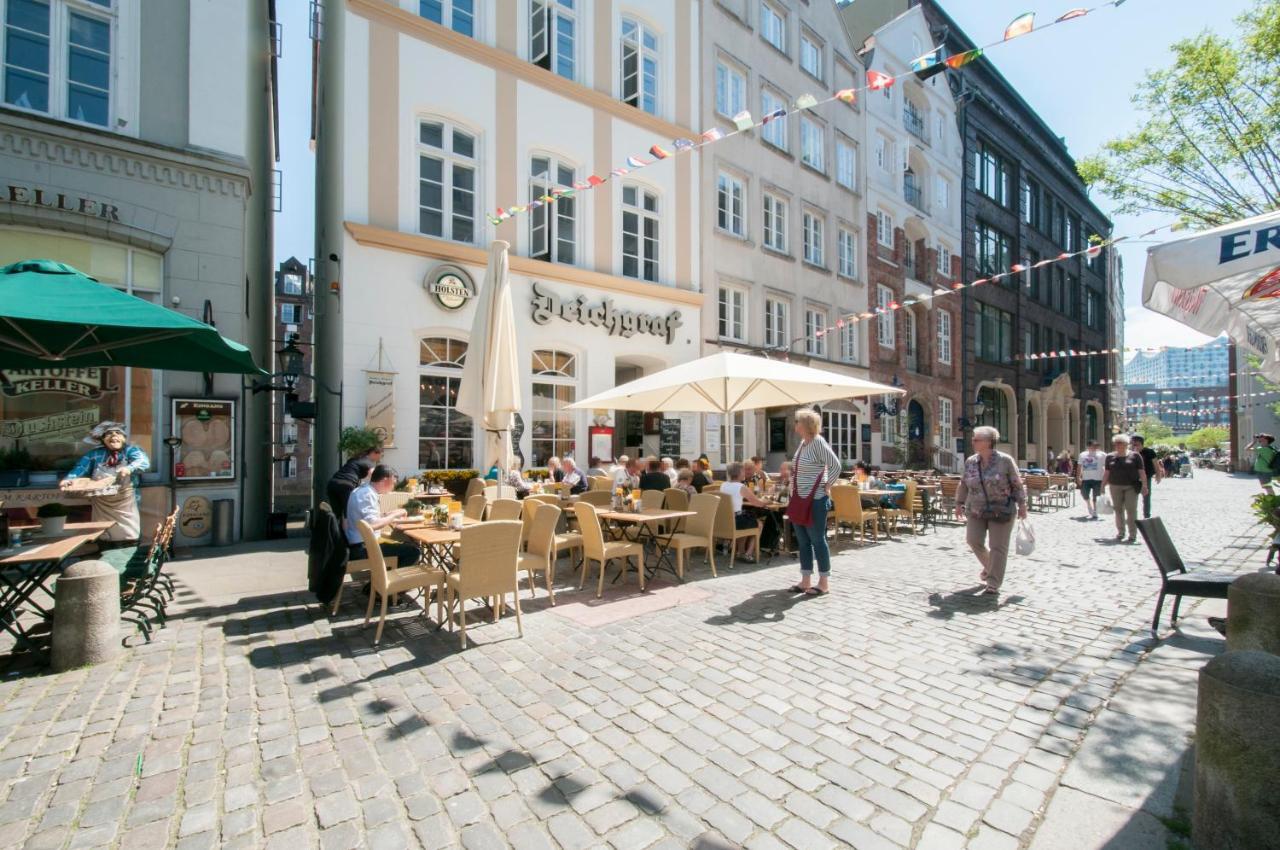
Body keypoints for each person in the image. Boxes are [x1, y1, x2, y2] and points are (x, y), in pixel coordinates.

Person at [954, 426, 1028, 596]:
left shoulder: (1005, 461)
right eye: (973, 439)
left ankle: (993, 582)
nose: (972, 442)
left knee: (998, 547)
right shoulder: (971, 461)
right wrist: (958, 503)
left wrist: (1022, 504)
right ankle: (990, 567)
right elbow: (964, 483)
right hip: (976, 509)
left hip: (1001, 509)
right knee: (973, 540)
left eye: (976, 439)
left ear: (988, 442)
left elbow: (1016, 483)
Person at [61, 421, 151, 543]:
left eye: (118, 433)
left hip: (125, 502)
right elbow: (80, 468)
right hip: (101, 503)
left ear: (124, 438)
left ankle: (129, 546)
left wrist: (129, 468)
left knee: (129, 532)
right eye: (109, 434)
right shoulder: (94, 454)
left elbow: (142, 461)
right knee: (102, 531)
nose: (114, 437)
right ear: (103, 439)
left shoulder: (131, 450)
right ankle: (104, 547)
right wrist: (69, 479)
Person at [787, 409, 842, 597]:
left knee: (817, 540)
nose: (795, 425)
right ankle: (805, 580)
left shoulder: (818, 442)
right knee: (803, 542)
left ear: (805, 425)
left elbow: (835, 465)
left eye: (797, 422)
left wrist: (828, 485)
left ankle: (824, 582)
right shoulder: (803, 443)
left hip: (816, 500)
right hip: (799, 499)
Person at [345, 464, 421, 568]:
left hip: (363, 543)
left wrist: (389, 514)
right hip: (363, 548)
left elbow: (368, 518)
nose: (393, 487)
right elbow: (372, 524)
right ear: (386, 480)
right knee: (413, 551)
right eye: (393, 483)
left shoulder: (365, 491)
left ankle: (384, 577)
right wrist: (394, 516)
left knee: (406, 545)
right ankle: (384, 582)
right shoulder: (366, 494)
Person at [1102, 434, 1147, 544]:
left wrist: (1145, 485)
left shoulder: (1135, 456)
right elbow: (1107, 472)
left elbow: (1141, 471)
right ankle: (1121, 531)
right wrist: (1102, 485)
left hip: (1131, 486)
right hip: (1115, 485)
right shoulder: (1110, 457)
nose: (1117, 445)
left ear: (1126, 444)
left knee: (1131, 510)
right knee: (1118, 509)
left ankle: (1132, 534)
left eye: (1120, 443)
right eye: (1116, 443)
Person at [720, 462, 766, 563]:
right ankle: (748, 553)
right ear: (740, 473)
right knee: (759, 524)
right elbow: (756, 503)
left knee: (746, 520)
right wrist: (766, 502)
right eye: (743, 471)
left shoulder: (723, 485)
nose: (744, 473)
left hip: (725, 521)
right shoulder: (741, 487)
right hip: (736, 521)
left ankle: (740, 552)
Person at [326, 444, 383, 517]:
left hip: (333, 483)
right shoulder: (369, 461)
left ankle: (332, 521)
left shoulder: (356, 458)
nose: (379, 458)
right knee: (348, 512)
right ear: (374, 453)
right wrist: (378, 488)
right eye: (380, 455)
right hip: (346, 485)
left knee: (336, 513)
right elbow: (373, 475)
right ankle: (347, 528)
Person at [1129, 435, 1163, 519]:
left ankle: (1146, 515)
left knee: (1146, 497)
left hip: (1146, 477)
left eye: (1137, 444)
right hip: (1133, 478)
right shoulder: (1129, 453)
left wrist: (1158, 475)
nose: (1134, 447)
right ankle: (1132, 516)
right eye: (1132, 444)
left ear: (1142, 445)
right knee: (1132, 498)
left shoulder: (1149, 452)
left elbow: (1155, 464)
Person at [1076, 440, 1106, 519]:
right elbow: (1079, 467)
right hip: (1086, 478)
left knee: (1096, 496)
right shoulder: (1082, 455)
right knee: (1084, 493)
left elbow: (1107, 467)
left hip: (1098, 479)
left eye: (1096, 446)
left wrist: (1106, 478)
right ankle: (1089, 505)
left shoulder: (1102, 455)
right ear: (1088, 447)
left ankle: (1095, 511)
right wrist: (1078, 477)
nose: (1094, 448)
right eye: (1092, 446)